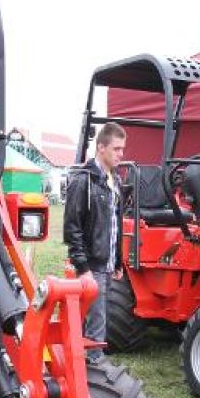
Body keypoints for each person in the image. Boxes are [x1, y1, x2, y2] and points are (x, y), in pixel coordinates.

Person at [63, 121, 126, 359]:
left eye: (122, 149)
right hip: (92, 266)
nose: (121, 154)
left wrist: (117, 261)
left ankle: (87, 370)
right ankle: (96, 373)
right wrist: (83, 267)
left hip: (107, 265)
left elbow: (114, 225)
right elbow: (72, 228)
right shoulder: (83, 182)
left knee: (99, 319)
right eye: (116, 149)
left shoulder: (115, 182)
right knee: (96, 323)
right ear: (101, 148)